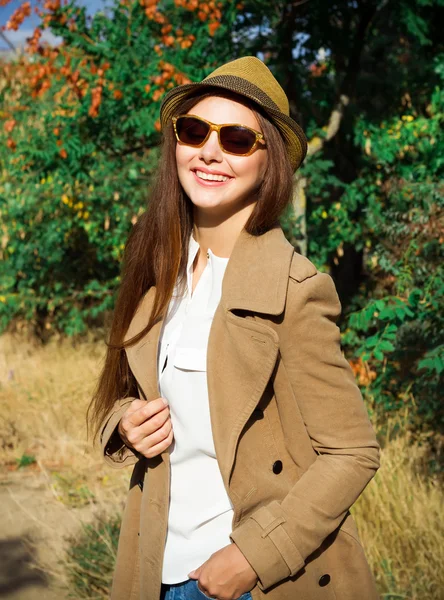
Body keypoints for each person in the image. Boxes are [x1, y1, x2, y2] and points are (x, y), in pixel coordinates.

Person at [89, 56, 381, 600]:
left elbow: (353, 452)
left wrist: (254, 556)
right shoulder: (159, 276)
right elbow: (125, 396)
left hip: (251, 582)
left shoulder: (295, 288)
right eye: (195, 130)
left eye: (238, 139)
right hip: (155, 568)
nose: (210, 152)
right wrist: (125, 423)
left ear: (269, 161)